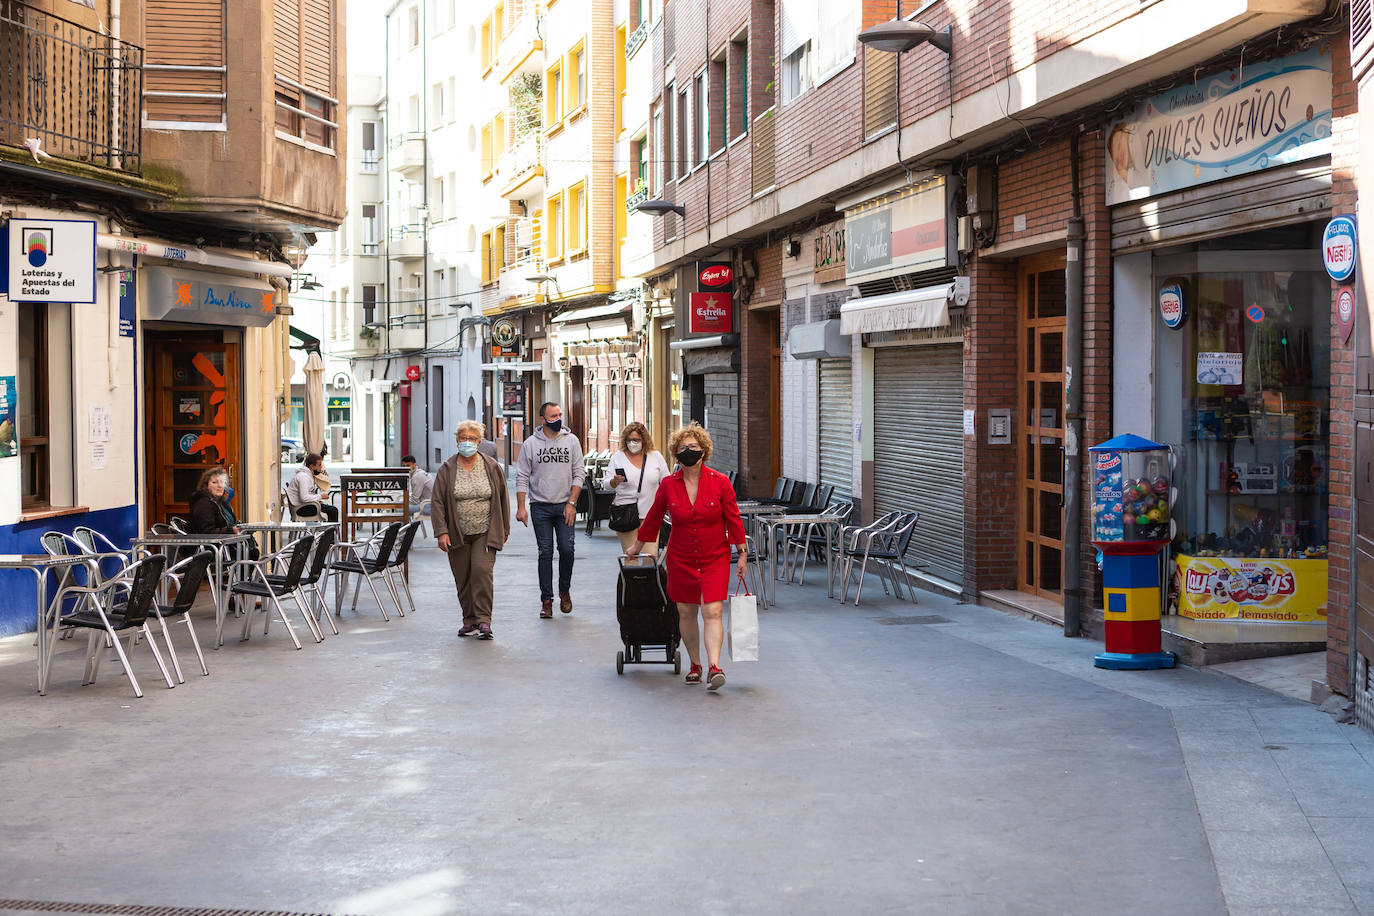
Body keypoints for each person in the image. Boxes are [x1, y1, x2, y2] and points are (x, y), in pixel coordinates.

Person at [627, 423, 747, 691]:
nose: (688, 451)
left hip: (714, 555)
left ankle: (715, 666)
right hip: (681, 556)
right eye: (683, 448)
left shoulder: (720, 482)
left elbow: (733, 519)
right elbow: (654, 517)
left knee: (713, 610)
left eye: (693, 447)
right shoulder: (669, 484)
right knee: (686, 610)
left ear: (703, 451)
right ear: (675, 454)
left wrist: (741, 552)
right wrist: (637, 547)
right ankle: (695, 664)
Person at [432, 421, 510, 640]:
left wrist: (504, 527)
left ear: (479, 441)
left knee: (481, 572)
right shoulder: (447, 469)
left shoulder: (491, 466)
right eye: (463, 438)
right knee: (463, 577)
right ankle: (469, 620)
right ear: (457, 441)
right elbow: (437, 502)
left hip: (485, 530)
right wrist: (441, 531)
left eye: (472, 439)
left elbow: (503, 497)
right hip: (457, 532)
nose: (467, 442)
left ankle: (484, 621)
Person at [515, 402, 586, 618]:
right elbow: (522, 476)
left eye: (559, 414)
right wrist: (521, 507)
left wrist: (572, 503)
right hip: (540, 507)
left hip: (565, 505)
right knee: (545, 552)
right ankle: (547, 600)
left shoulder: (571, 441)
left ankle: (564, 590)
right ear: (542, 419)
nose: (558, 418)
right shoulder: (530, 444)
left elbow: (579, 473)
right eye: (553, 415)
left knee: (567, 550)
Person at [603, 421, 671, 556]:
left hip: (651, 515)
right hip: (626, 514)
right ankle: (629, 577)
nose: (632, 443)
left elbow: (666, 482)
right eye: (629, 440)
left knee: (650, 557)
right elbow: (606, 485)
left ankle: (647, 578)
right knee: (630, 558)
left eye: (636, 440)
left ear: (644, 440)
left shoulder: (655, 457)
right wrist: (614, 481)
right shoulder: (618, 457)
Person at [187, 467, 259, 559]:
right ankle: (235, 573)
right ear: (206, 486)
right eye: (215, 482)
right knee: (251, 554)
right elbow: (207, 532)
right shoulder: (204, 504)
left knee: (252, 551)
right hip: (210, 549)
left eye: (222, 482)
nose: (220, 486)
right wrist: (231, 530)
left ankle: (237, 573)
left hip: (223, 546)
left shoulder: (222, 503)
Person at [287, 453, 338, 521]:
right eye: (319, 465)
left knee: (330, 509)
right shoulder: (303, 477)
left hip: (303, 505)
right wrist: (320, 497)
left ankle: (328, 531)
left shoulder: (306, 475)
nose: (321, 468)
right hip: (301, 508)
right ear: (312, 466)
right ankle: (330, 531)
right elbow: (304, 498)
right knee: (333, 510)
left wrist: (317, 500)